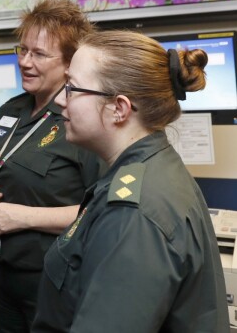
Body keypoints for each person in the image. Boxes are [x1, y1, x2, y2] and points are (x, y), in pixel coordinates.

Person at [32, 30, 229, 332]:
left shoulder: (133, 215)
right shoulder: (152, 168)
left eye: (71, 88)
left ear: (119, 108)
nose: (59, 100)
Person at [0, 0, 101, 332]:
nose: (25, 62)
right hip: (3, 273)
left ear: (69, 63)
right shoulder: (11, 108)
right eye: (22, 50)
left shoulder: (82, 119)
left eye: (39, 54)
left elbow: (102, 213)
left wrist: (23, 217)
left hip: (55, 282)